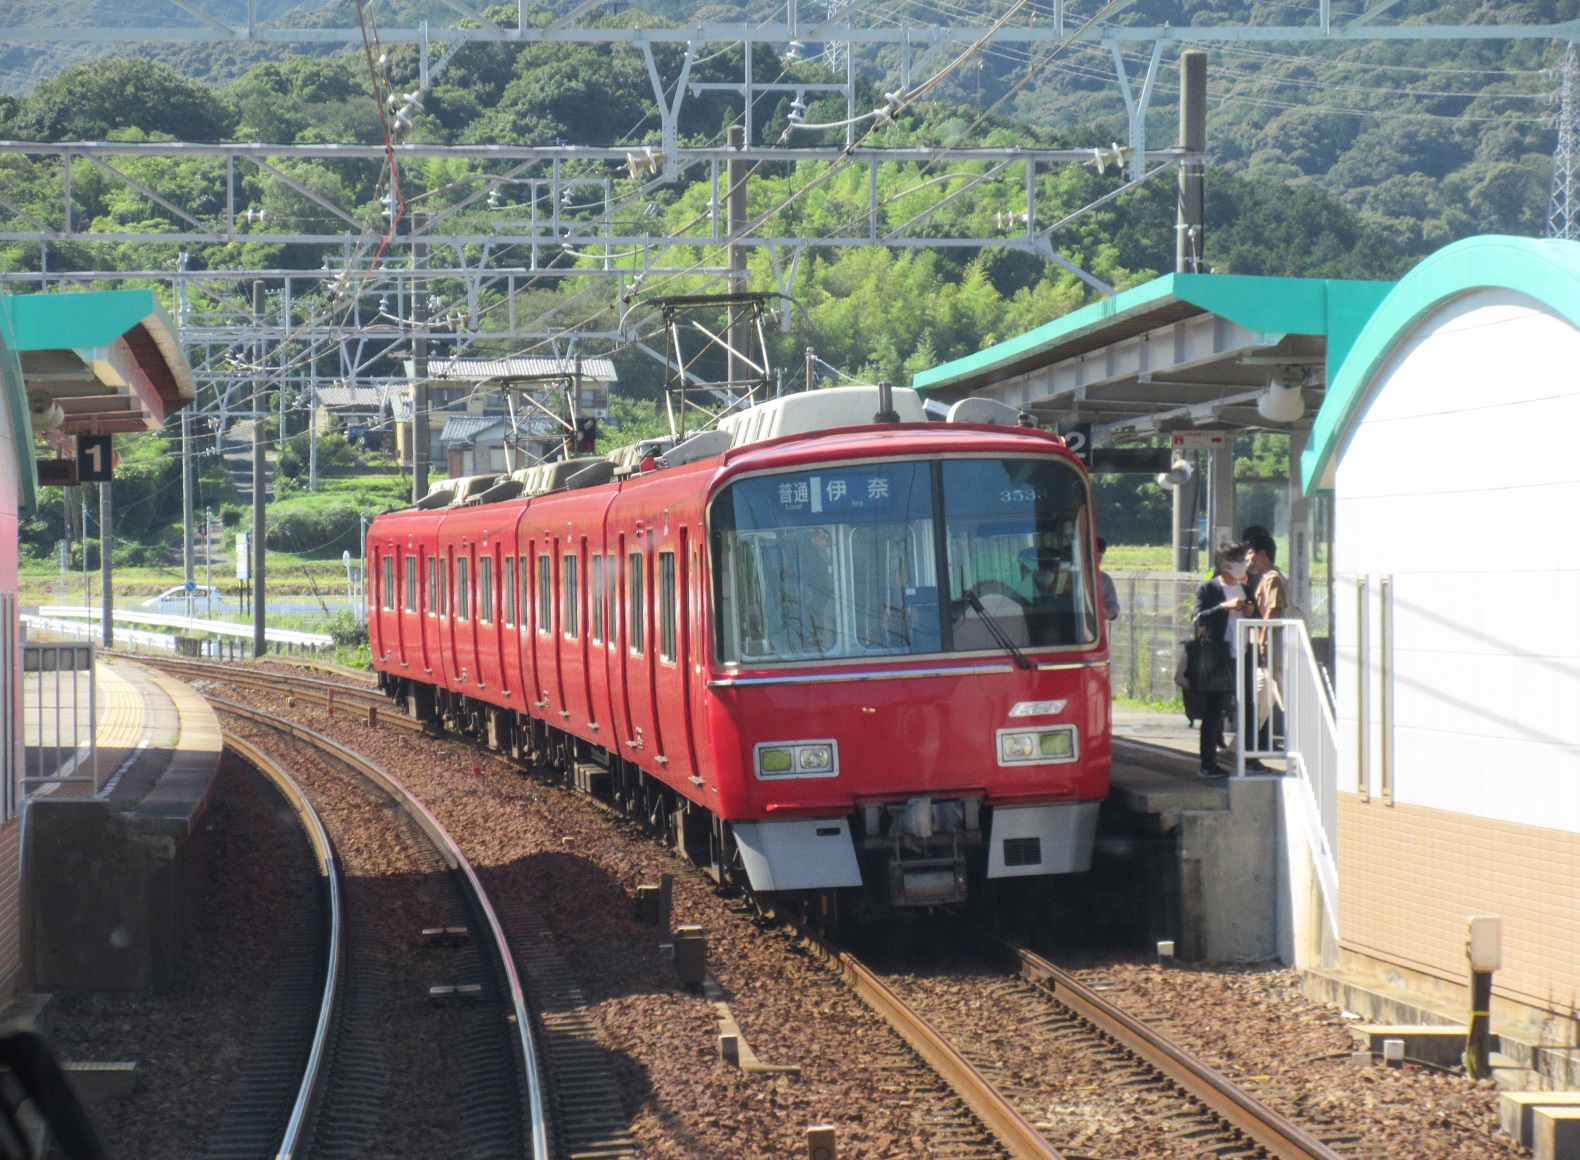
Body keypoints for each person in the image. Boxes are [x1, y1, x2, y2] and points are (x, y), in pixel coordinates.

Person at [1192, 542, 1253, 779]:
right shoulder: (1209, 588)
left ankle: (1249, 758)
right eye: (1239, 561)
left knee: (1249, 706)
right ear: (1226, 564)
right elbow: (1197, 618)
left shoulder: (1246, 587)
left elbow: (1254, 614)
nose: (1244, 565)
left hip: (1243, 652)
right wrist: (1223, 607)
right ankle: (1208, 763)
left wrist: (1249, 611)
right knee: (1214, 710)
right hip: (1218, 655)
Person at [1096, 537, 1120, 623]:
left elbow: (1113, 604)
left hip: (1096, 627)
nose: (1098, 560)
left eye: (1100, 557)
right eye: (1095, 556)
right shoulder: (1073, 576)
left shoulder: (1104, 579)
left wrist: (1112, 612)